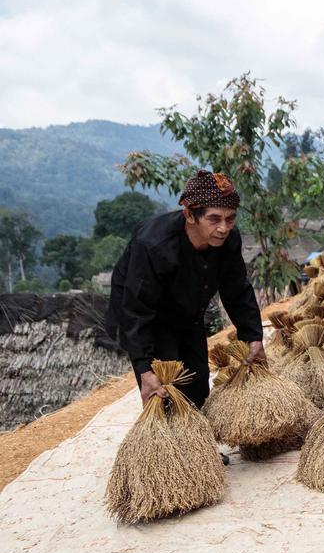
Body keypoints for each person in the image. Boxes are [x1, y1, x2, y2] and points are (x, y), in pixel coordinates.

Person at [105, 170, 265, 411]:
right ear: (190, 215)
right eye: (214, 219)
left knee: (197, 384)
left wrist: (253, 337)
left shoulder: (228, 241)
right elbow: (137, 309)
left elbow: (237, 289)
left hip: (189, 311)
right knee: (167, 389)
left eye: (230, 219)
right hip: (150, 315)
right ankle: (170, 445)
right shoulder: (154, 245)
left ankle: (196, 440)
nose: (224, 228)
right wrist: (144, 368)